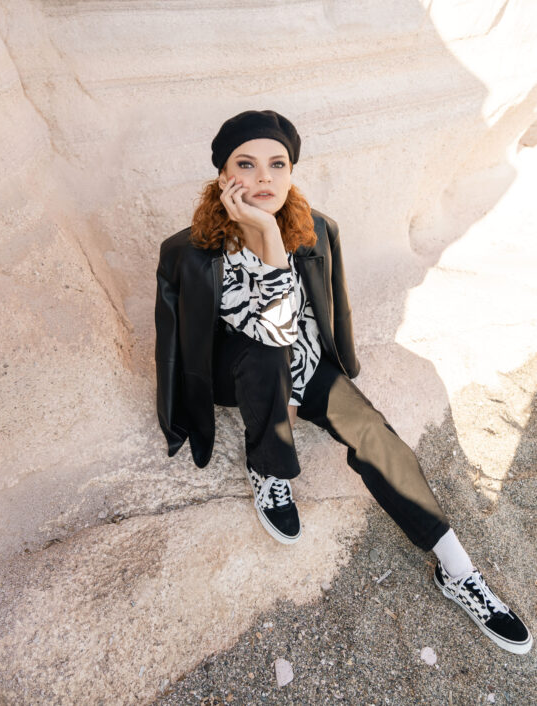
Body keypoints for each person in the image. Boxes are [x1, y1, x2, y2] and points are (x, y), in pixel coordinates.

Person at [154, 109, 533, 655]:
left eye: (277, 164)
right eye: (246, 164)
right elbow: (261, 332)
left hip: (304, 364)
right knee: (266, 354)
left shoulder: (315, 229)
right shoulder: (191, 252)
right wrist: (265, 235)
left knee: (373, 433)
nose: (263, 178)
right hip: (240, 370)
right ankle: (269, 468)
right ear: (223, 177)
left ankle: (458, 571)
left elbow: (330, 310)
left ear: (291, 172)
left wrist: (338, 374)